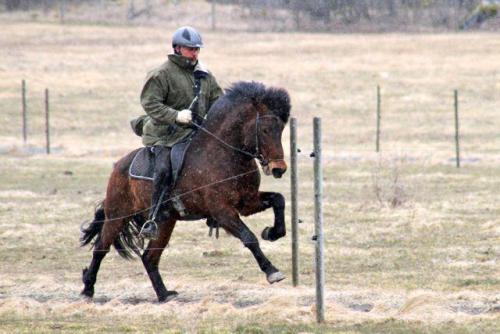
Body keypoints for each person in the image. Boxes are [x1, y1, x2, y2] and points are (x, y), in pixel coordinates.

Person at [138, 26, 223, 239]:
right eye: (190, 49)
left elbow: (218, 101)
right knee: (165, 168)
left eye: (197, 49)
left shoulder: (204, 75)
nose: (195, 53)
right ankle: (153, 218)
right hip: (164, 134)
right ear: (177, 48)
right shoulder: (161, 74)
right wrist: (175, 115)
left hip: (196, 132)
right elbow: (150, 104)